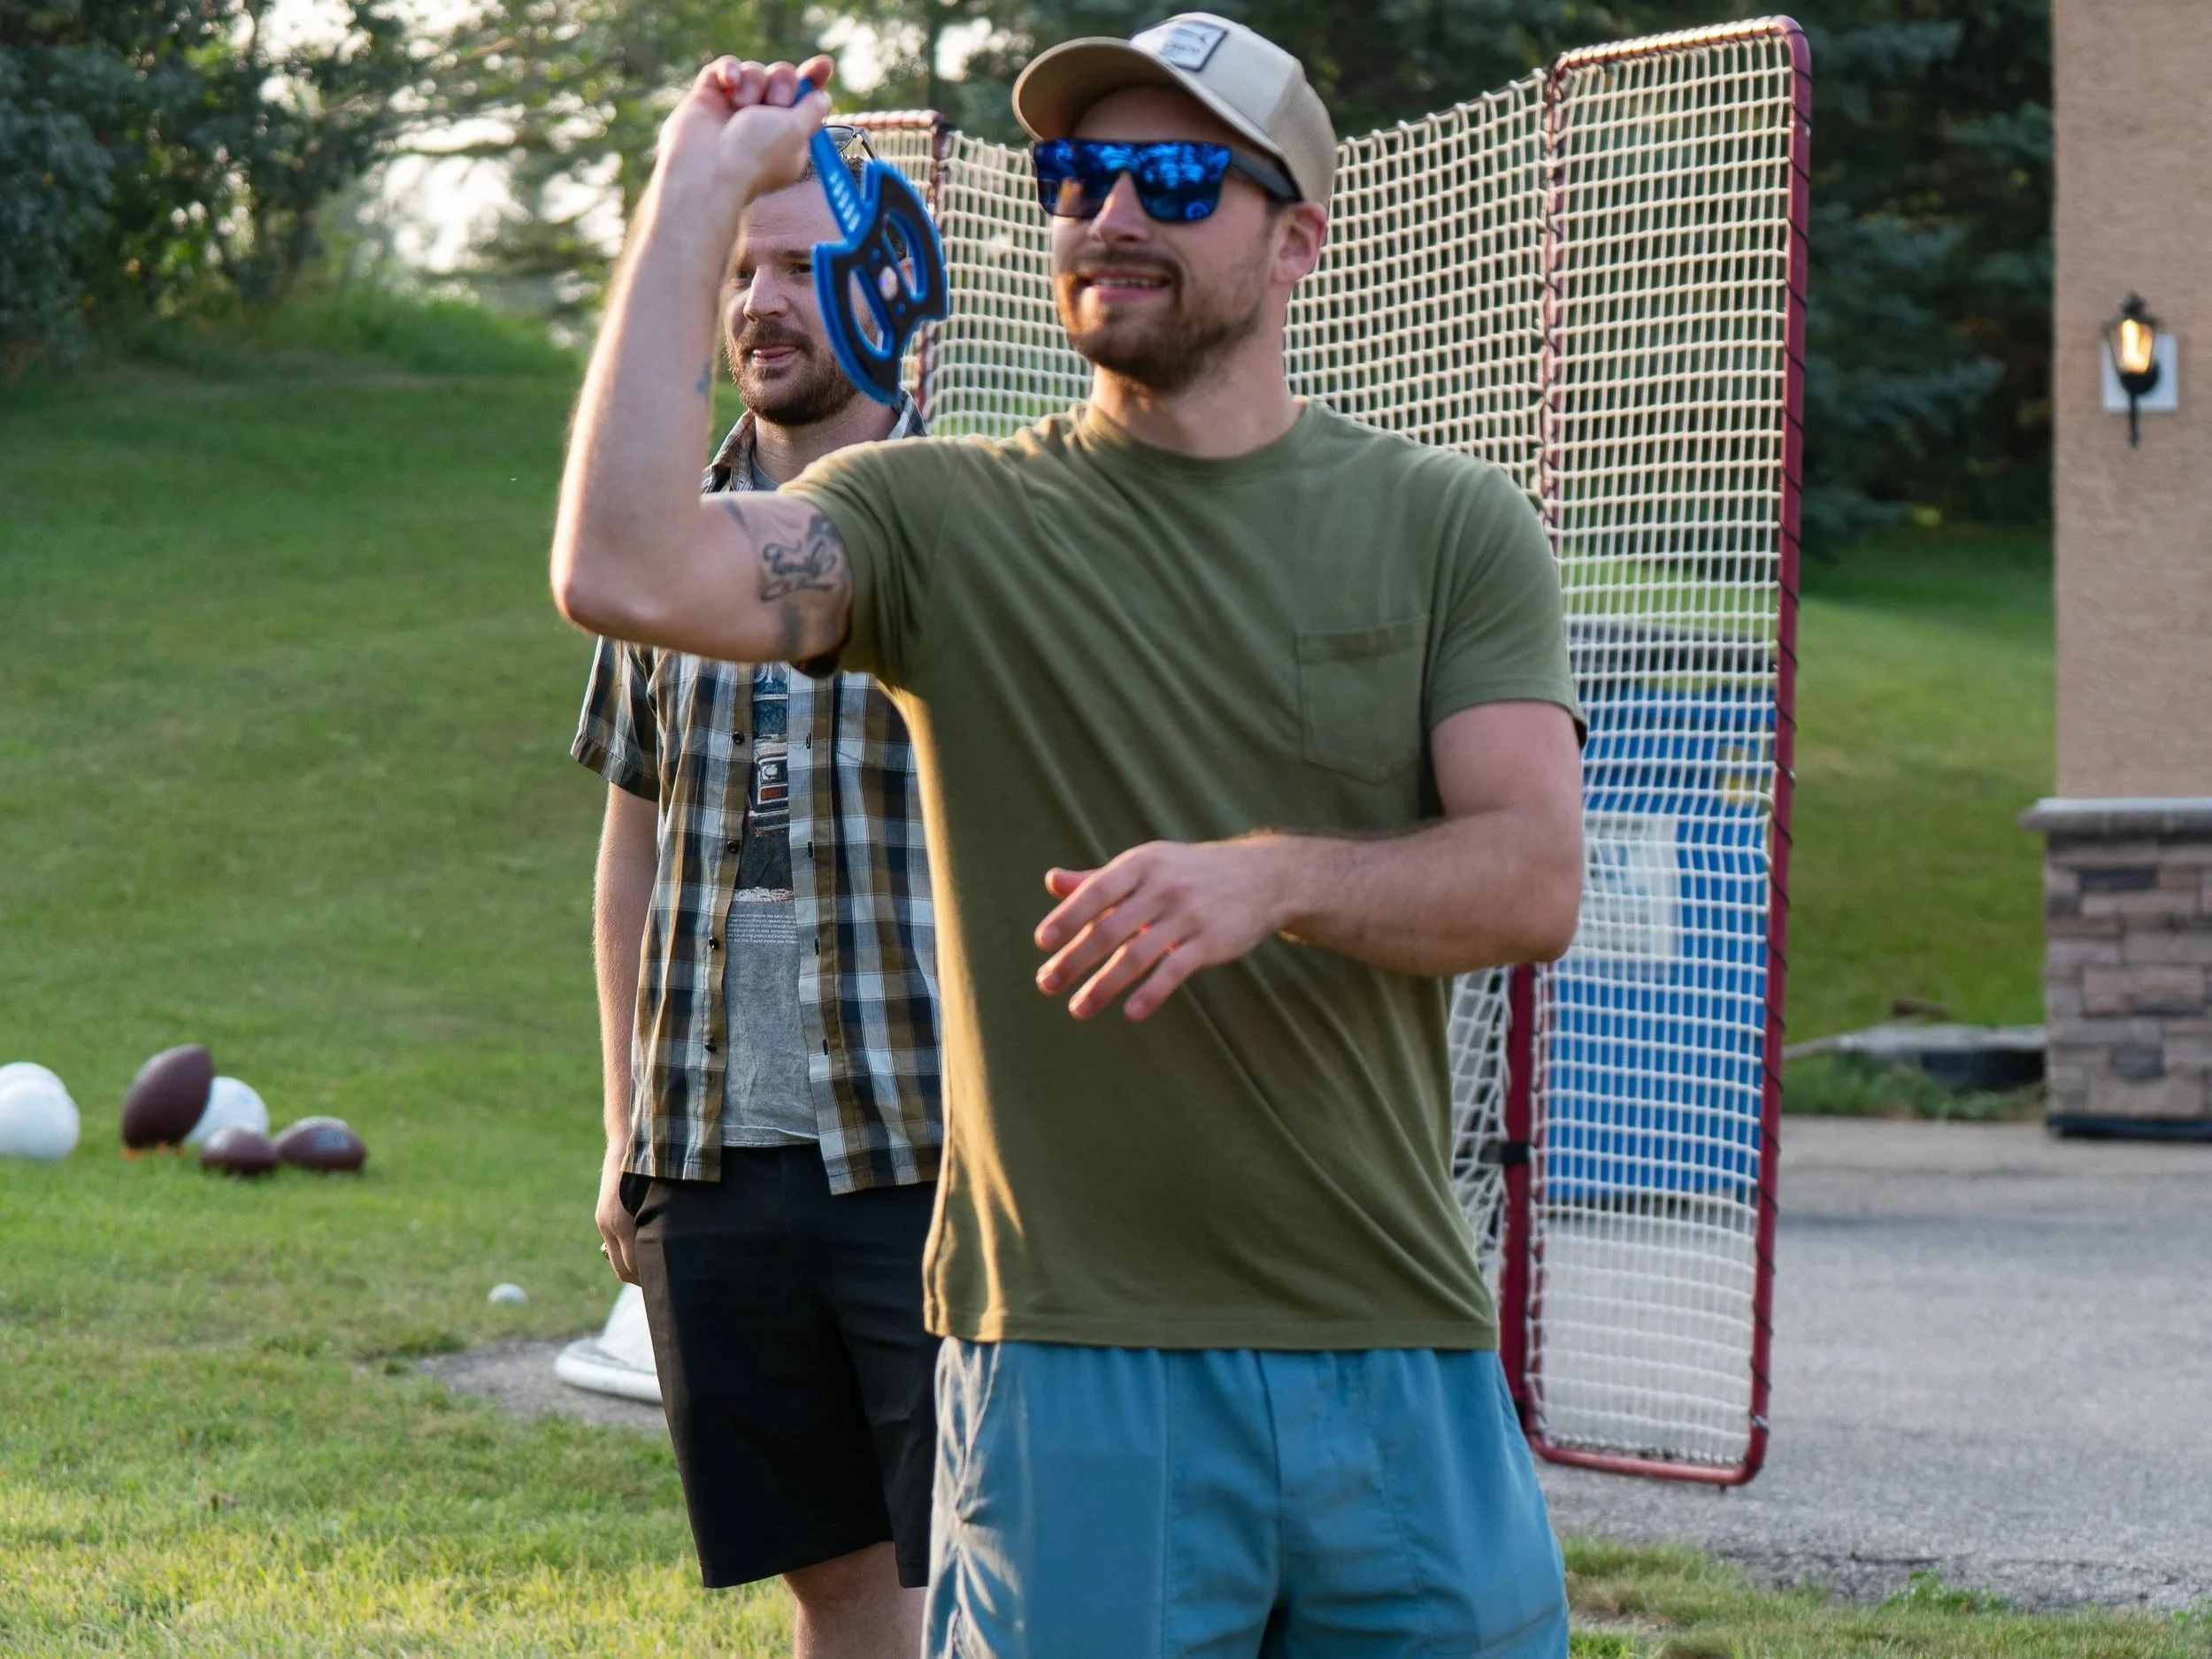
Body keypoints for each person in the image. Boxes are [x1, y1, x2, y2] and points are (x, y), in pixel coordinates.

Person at [553, 16, 1587, 1655]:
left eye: (1175, 177)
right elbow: (621, 564)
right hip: (1067, 1366)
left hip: (1394, 1352)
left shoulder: (1448, 525)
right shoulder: (941, 519)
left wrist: (1277, 880)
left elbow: (1532, 876)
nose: (1112, 213)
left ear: (1297, 235)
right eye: (1076, 175)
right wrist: (691, 195)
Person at [573, 131, 941, 1659]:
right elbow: (633, 843)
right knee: (830, 1581)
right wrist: (623, 1128)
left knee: (982, 1566)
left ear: (888, 284)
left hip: (925, 1144)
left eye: (797, 265)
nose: (760, 303)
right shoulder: (662, 541)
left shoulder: (974, 514)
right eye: (736, 271)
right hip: (715, 1151)